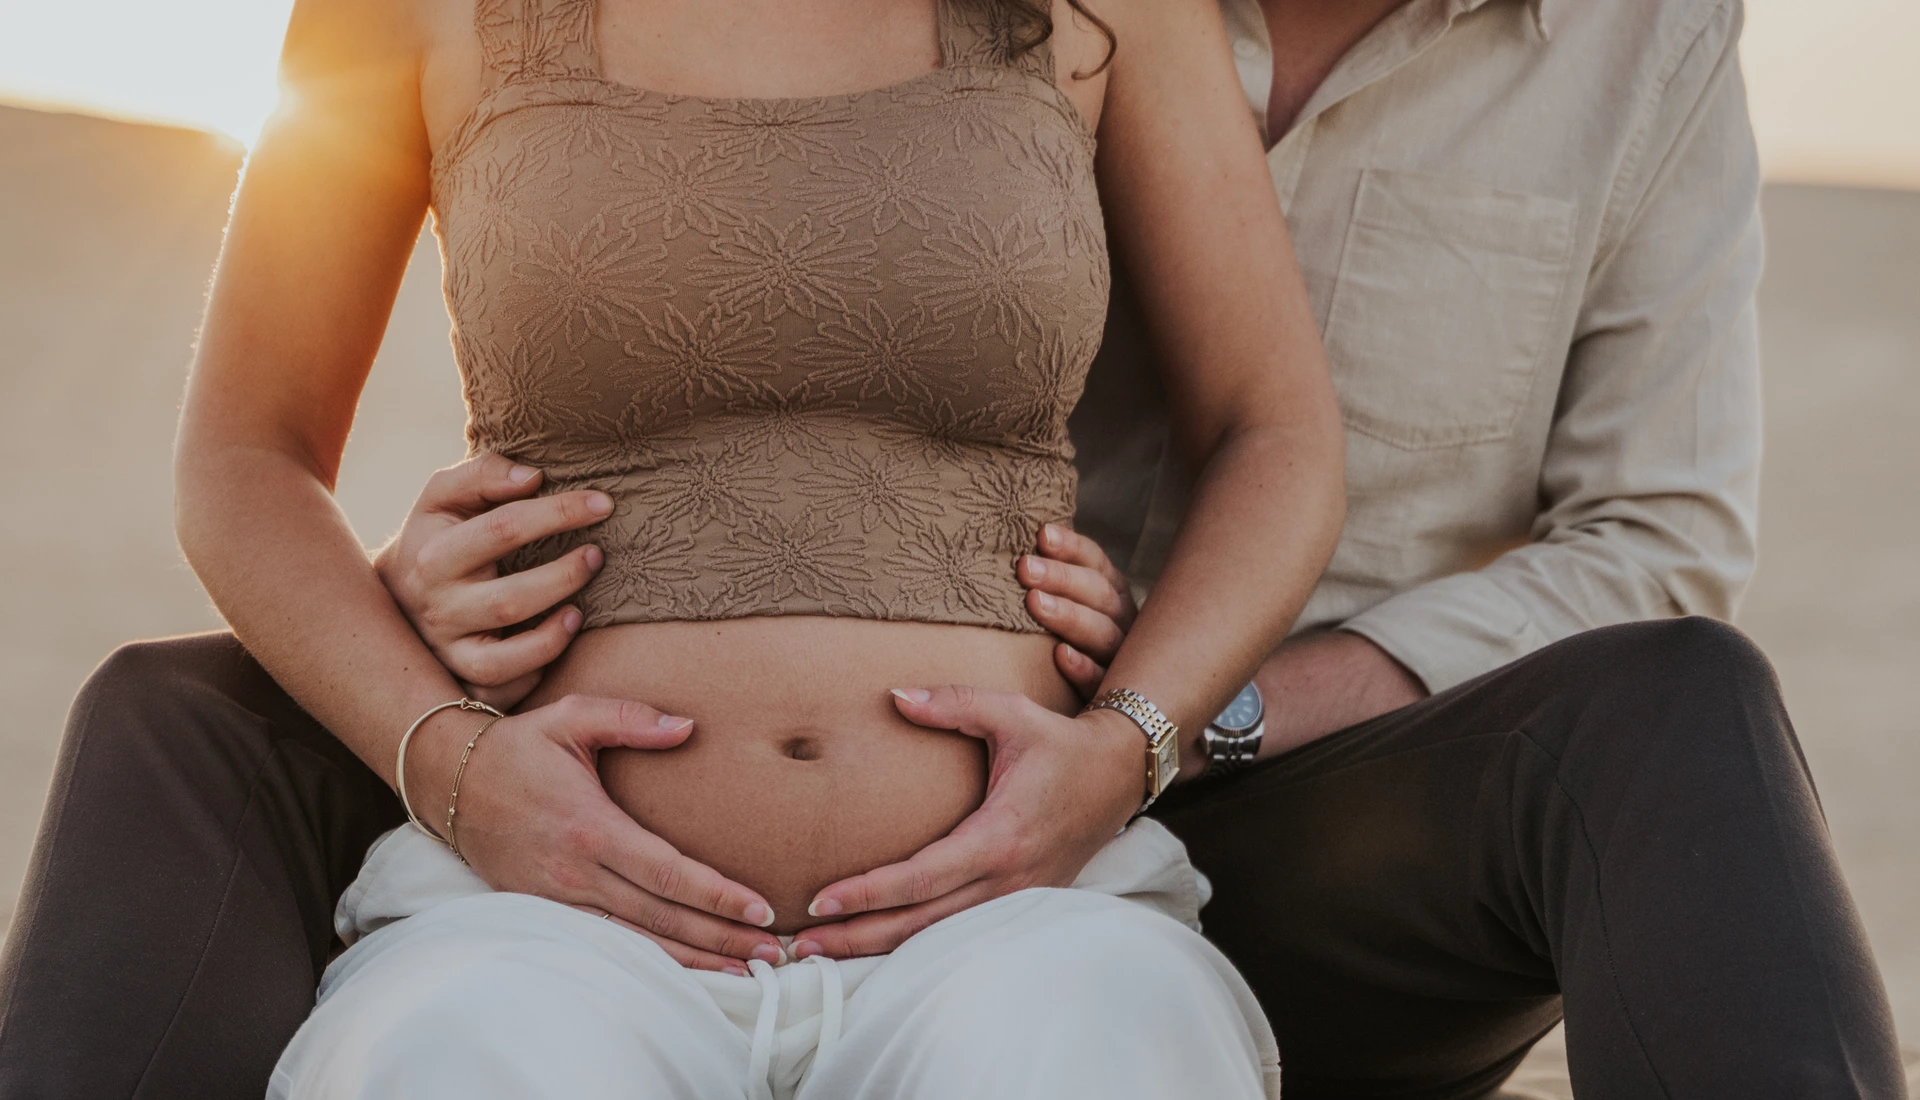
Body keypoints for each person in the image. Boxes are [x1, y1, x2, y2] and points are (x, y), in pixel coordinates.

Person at [0, 1, 1908, 1099]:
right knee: (244, 815)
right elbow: (247, 453)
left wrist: (1152, 726)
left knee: (1667, 716)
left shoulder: (1104, 9)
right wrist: (441, 734)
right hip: (549, 906)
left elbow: (1313, 442)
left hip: (1072, 876)